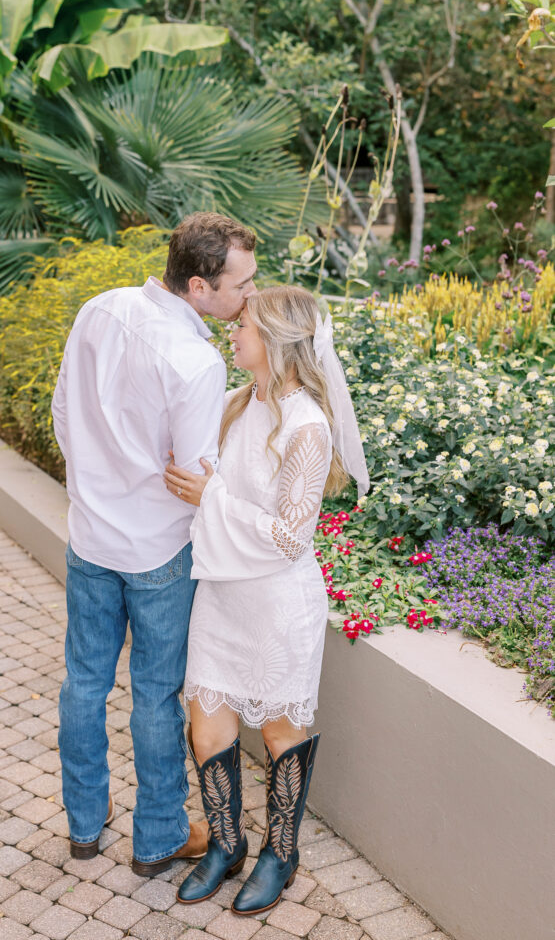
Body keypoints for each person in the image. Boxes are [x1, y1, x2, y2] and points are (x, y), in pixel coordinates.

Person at [51, 212, 257, 873]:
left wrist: (92, 485)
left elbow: (62, 410)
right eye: (240, 285)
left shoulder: (99, 309)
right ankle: (159, 838)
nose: (249, 296)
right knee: (154, 696)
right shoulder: (195, 361)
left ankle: (83, 828)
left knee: (83, 684)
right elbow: (196, 473)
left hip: (89, 537)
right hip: (160, 553)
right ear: (198, 287)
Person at [163, 285, 369, 914]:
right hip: (222, 595)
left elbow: (289, 538)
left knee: (281, 734)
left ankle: (281, 853)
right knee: (208, 729)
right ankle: (226, 844)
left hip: (279, 603)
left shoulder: (307, 425)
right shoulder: (234, 403)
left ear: (277, 340)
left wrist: (210, 500)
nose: (234, 331)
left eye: (245, 324)